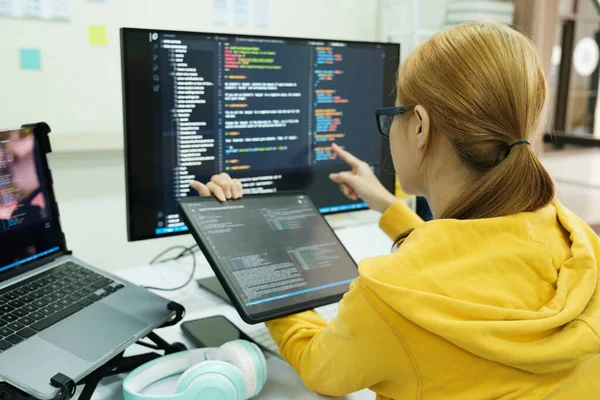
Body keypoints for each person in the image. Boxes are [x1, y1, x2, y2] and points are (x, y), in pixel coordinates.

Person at [190, 22, 600, 399]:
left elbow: (321, 368)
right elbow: (475, 257)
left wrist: (249, 245)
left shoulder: (393, 297)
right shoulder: (575, 238)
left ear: (420, 127)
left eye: (393, 117)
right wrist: (388, 206)